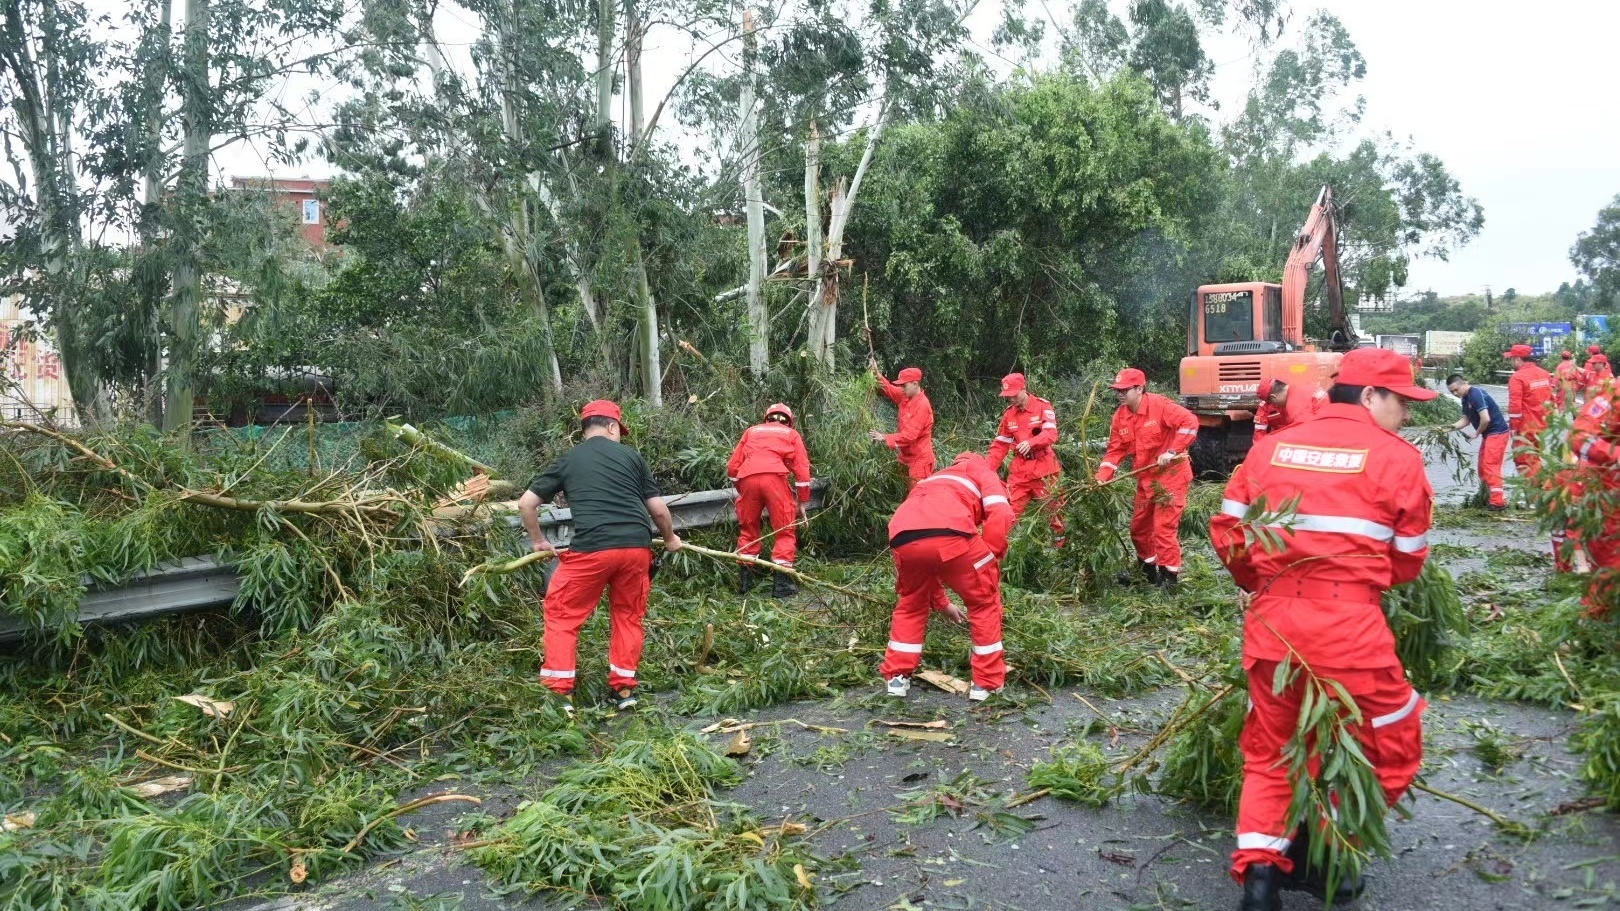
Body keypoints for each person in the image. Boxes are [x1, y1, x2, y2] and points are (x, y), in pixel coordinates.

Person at [1209, 347, 1435, 911]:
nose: (1405, 415)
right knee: (1390, 738)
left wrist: (1256, 583)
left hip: (1273, 625)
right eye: (1401, 402)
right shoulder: (1397, 459)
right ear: (1369, 395)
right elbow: (1408, 560)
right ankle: (1329, 854)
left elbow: (1230, 534)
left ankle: (1261, 876)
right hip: (1350, 630)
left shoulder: (1270, 449)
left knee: (1272, 749)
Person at [518, 400, 683, 715]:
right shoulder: (633, 457)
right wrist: (671, 539)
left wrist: (539, 541)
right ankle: (623, 690)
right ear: (611, 426)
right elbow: (659, 510)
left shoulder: (568, 460)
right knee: (627, 615)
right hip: (637, 549)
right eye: (620, 430)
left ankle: (560, 696)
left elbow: (526, 504)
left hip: (592, 549)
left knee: (563, 614)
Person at [879, 452, 1014, 703]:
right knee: (984, 603)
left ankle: (896, 677)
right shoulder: (983, 471)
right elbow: (1001, 512)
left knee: (910, 603)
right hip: (953, 532)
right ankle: (986, 683)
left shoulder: (933, 479)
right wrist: (990, 555)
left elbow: (930, 557)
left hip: (902, 535)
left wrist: (943, 605)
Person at [1096, 367, 1198, 588]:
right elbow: (1114, 451)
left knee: (1163, 530)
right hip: (1146, 480)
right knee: (1139, 529)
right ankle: (1148, 573)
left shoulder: (1160, 406)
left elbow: (1190, 423)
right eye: (1117, 390)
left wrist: (1171, 451)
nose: (1120, 394)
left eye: (1125, 390)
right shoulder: (1120, 417)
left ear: (1140, 388)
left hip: (1171, 477)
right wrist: (1102, 476)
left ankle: (1169, 580)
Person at [726, 403, 813, 599]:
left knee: (748, 529)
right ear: (789, 421)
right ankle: (781, 586)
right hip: (775, 480)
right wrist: (802, 501)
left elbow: (732, 467)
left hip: (747, 478)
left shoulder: (751, 431)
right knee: (784, 531)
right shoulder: (791, 435)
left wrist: (743, 489)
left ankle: (745, 584)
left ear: (767, 417)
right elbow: (802, 471)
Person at [986, 372, 1065, 545]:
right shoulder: (1009, 415)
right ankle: (1000, 550)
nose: (1011, 399)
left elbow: (1051, 434)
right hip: (1020, 473)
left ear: (1024, 388)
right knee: (1008, 513)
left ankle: (1062, 551)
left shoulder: (1043, 407)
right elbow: (1000, 445)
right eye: (1008, 396)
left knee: (1054, 514)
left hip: (1044, 471)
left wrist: (1032, 442)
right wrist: (985, 470)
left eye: (1013, 395)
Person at [1570, 375, 1620, 613]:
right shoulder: (1613, 395)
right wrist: (1615, 455)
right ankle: (1589, 631)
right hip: (1609, 494)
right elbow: (1579, 437)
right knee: (1612, 566)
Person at [869, 358, 937, 489]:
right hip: (906, 457)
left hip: (919, 461)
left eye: (904, 385)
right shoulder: (905, 395)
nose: (902, 388)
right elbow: (888, 388)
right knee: (903, 491)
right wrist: (877, 374)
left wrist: (885, 437)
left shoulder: (922, 406)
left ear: (915, 384)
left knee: (916, 496)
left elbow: (909, 436)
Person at [1446, 374, 1510, 510]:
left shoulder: (1475, 394)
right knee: (1482, 466)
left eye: (1456, 390)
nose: (1455, 394)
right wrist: (1447, 428)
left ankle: (1498, 502)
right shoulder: (1465, 399)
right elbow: (1465, 420)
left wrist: (1476, 433)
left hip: (1497, 432)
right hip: (1489, 435)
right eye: (1451, 392)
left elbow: (1485, 419)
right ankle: (1487, 495)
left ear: (1463, 383)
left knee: (1490, 466)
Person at [1504, 344, 1554, 482]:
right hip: (1541, 425)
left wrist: (1514, 429)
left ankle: (1536, 495)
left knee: (1524, 460)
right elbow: (1551, 399)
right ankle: (1542, 491)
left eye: (1512, 358)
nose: (1511, 362)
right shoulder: (1544, 373)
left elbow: (1515, 407)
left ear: (1518, 359)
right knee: (1535, 456)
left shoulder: (1517, 377)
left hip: (1525, 428)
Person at [1252, 378, 1324, 442]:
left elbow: (1304, 431)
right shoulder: (1265, 406)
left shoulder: (1295, 403)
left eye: (1271, 402)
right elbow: (1259, 433)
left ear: (1274, 397)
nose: (1274, 405)